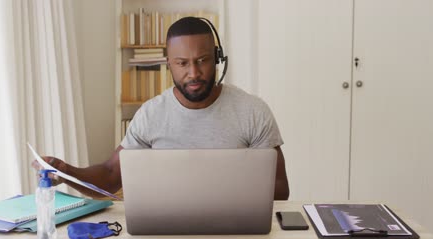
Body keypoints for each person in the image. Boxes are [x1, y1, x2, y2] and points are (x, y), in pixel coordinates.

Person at [33, 17, 289, 200]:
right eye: (182, 63)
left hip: (239, 237)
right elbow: (111, 176)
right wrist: (65, 172)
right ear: (169, 64)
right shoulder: (151, 114)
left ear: (218, 58)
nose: (194, 73)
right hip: (167, 237)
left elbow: (280, 187)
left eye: (203, 60)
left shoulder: (253, 111)